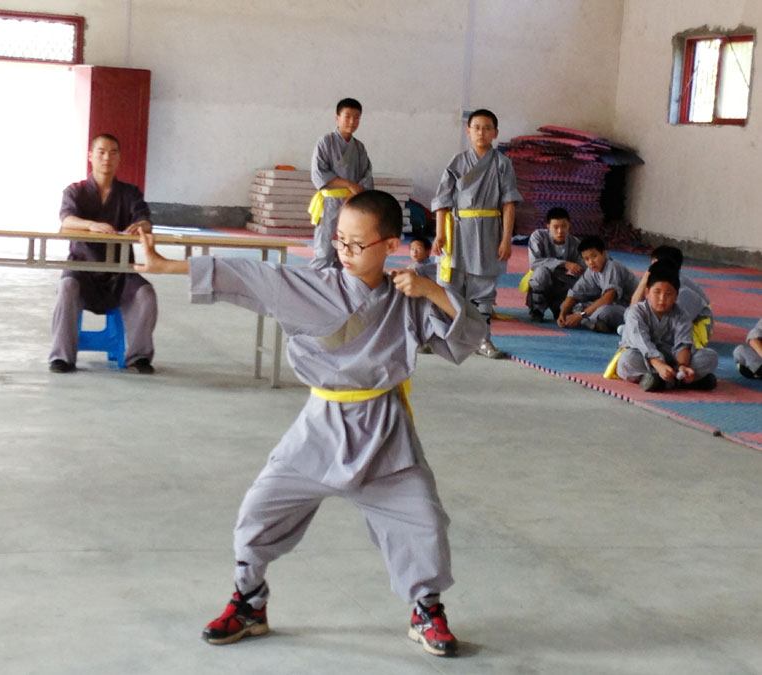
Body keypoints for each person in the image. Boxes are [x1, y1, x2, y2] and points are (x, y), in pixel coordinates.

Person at [135, 190, 488, 658]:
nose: (345, 252)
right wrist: (164, 265)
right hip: (320, 426)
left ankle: (426, 609)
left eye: (357, 244)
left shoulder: (408, 295)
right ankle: (249, 600)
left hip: (384, 430)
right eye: (339, 239)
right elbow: (249, 274)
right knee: (258, 513)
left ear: (388, 245)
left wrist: (433, 291)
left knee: (422, 520)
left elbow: (473, 335)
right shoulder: (315, 286)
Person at [48, 133, 157, 374]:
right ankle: (62, 357)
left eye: (113, 152)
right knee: (67, 288)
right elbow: (67, 220)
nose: (107, 157)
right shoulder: (74, 191)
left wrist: (141, 226)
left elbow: (145, 221)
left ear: (119, 158)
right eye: (101, 152)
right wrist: (90, 225)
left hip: (120, 272)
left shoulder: (130, 193)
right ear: (90, 156)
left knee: (146, 293)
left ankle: (138, 357)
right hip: (82, 270)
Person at [431, 108, 522, 358]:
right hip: (457, 228)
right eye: (477, 127)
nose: (481, 132)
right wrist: (440, 234)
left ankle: (483, 340)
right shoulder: (457, 162)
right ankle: (441, 336)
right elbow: (442, 200)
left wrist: (506, 239)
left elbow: (509, 203)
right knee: (449, 284)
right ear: (468, 131)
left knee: (484, 287)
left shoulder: (502, 164)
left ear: (495, 133)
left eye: (487, 128)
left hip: (489, 228)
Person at [616, 261, 718, 391]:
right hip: (646, 358)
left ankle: (664, 380)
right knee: (627, 359)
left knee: (710, 356)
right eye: (657, 292)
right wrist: (658, 363)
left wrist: (683, 366)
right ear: (647, 292)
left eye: (669, 294)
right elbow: (641, 342)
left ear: (676, 296)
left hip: (672, 359)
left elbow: (683, 344)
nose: (662, 299)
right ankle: (681, 381)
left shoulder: (681, 314)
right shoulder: (636, 312)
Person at [308, 98, 374, 270]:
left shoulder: (359, 148)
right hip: (330, 204)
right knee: (324, 252)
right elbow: (319, 174)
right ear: (337, 118)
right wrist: (348, 184)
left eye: (357, 117)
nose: (352, 121)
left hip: (352, 205)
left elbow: (366, 177)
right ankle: (314, 288)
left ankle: (340, 291)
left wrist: (353, 194)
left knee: (347, 252)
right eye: (347, 116)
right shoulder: (325, 142)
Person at [629, 245, 713, 344]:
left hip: (694, 327)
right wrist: (644, 281)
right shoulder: (658, 281)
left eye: (654, 266)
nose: (651, 270)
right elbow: (634, 309)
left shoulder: (682, 291)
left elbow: (677, 323)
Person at [557, 235, 638, 333]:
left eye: (594, 256)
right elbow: (575, 294)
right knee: (568, 306)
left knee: (604, 311)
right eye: (586, 259)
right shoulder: (592, 271)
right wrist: (562, 313)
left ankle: (589, 323)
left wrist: (580, 315)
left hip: (629, 309)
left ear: (604, 254)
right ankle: (594, 324)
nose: (591, 262)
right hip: (613, 305)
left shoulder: (612, 267)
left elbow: (608, 298)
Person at [525, 207, 584, 322]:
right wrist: (564, 264)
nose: (560, 231)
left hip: (564, 285)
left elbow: (582, 267)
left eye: (564, 226)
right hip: (544, 282)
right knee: (541, 272)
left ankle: (561, 308)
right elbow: (534, 263)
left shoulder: (576, 243)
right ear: (548, 226)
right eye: (555, 227)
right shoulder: (538, 237)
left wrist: (578, 270)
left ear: (569, 226)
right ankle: (537, 310)